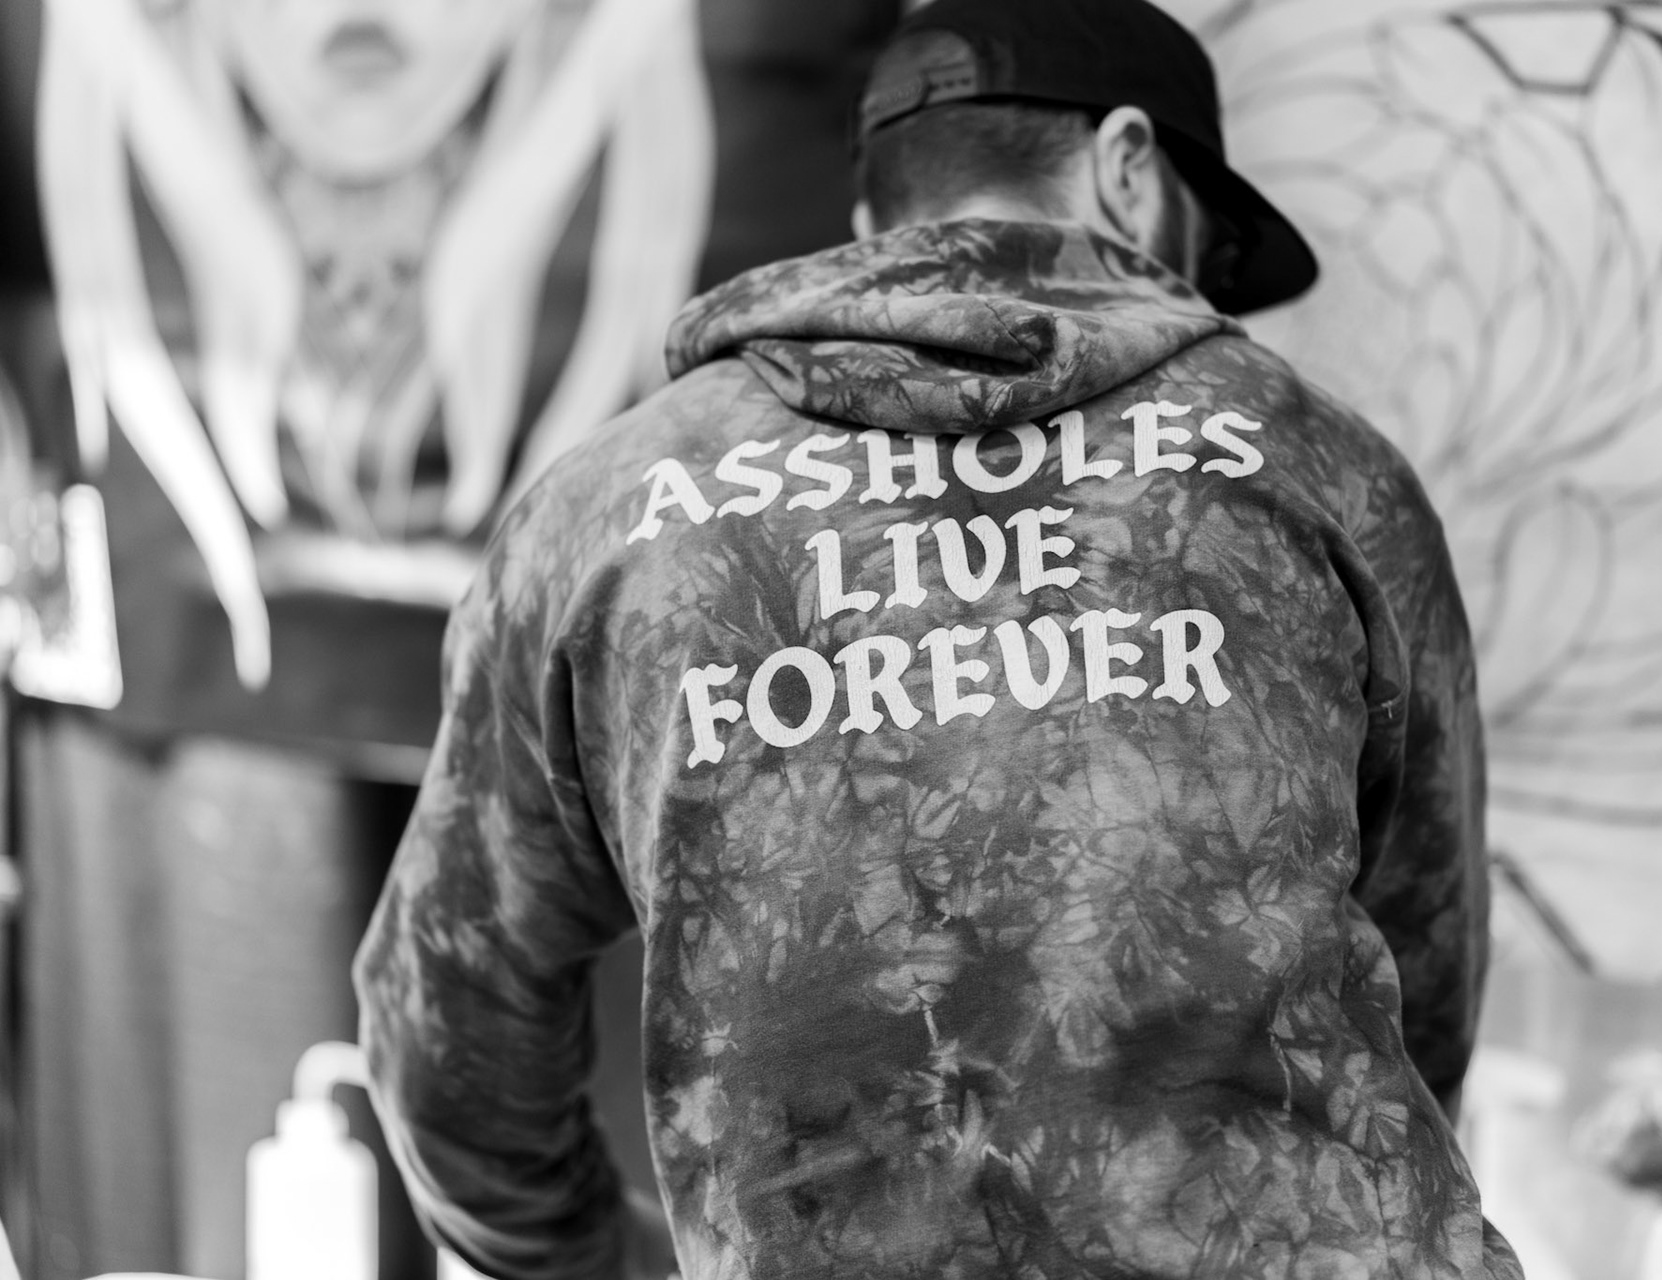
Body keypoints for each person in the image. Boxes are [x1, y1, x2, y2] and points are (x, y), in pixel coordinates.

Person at [354, 0, 1521, 1276]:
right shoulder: (1317, 461)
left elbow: (448, 1024)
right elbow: (1423, 965)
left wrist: (596, 1256)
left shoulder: (605, 513)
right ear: (1129, 169)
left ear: (874, 227)